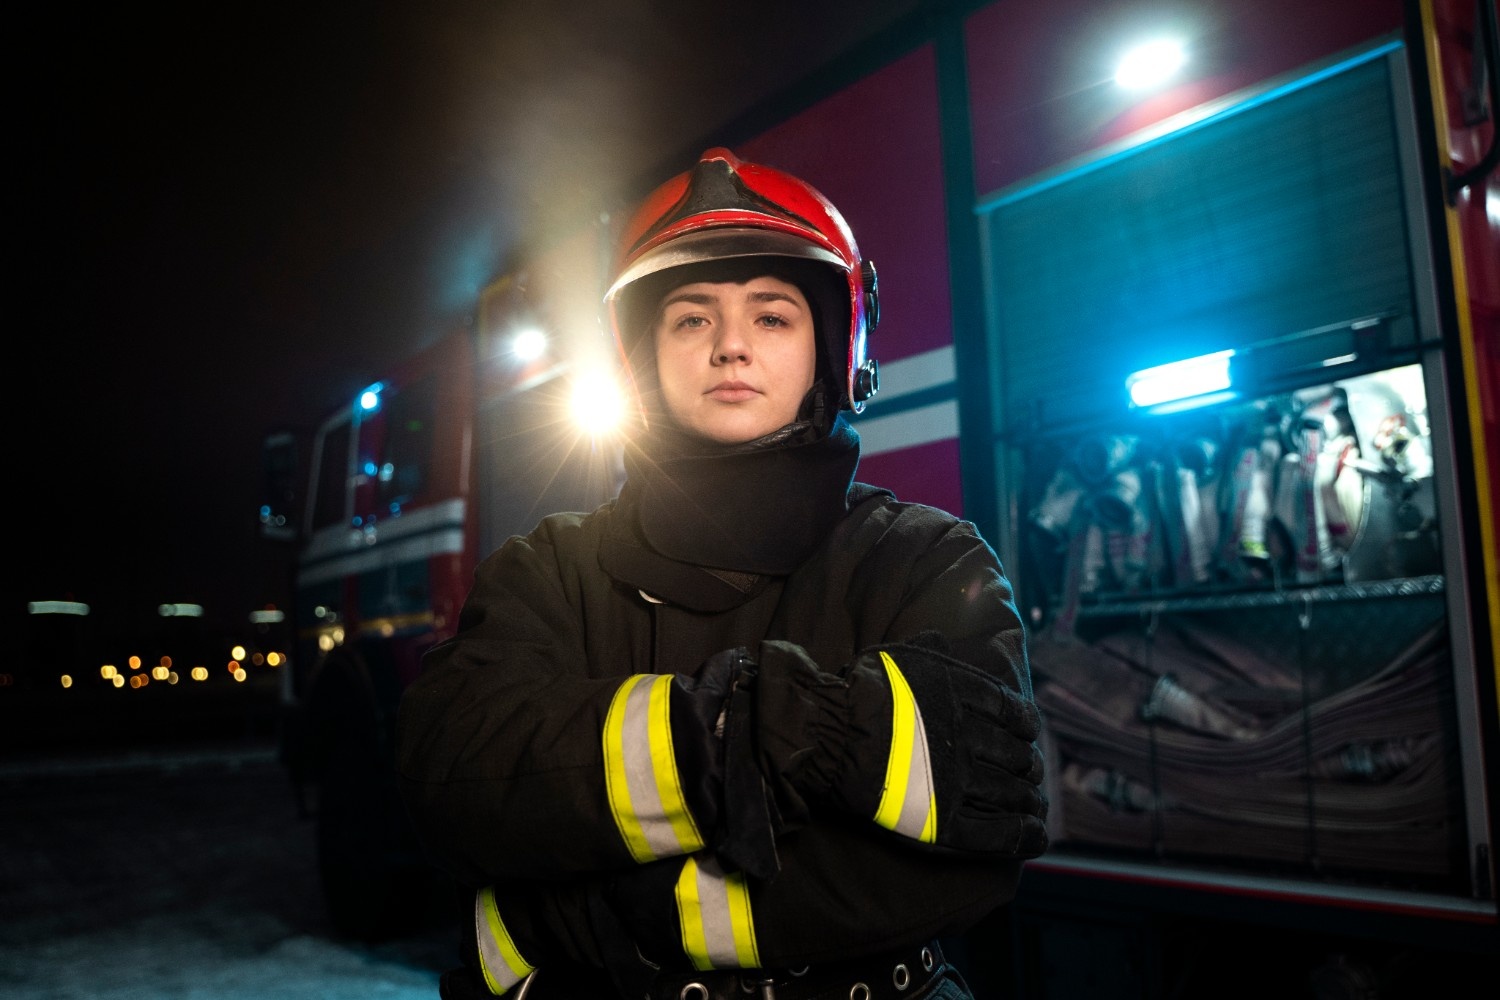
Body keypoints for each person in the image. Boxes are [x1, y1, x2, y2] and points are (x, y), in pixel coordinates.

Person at [395, 147, 1048, 1000]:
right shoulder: (548, 571)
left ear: (835, 347)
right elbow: (455, 782)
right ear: (641, 357)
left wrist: (589, 914)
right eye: (691, 318)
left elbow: (978, 842)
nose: (731, 346)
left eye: (773, 317)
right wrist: (724, 738)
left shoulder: (925, 563)